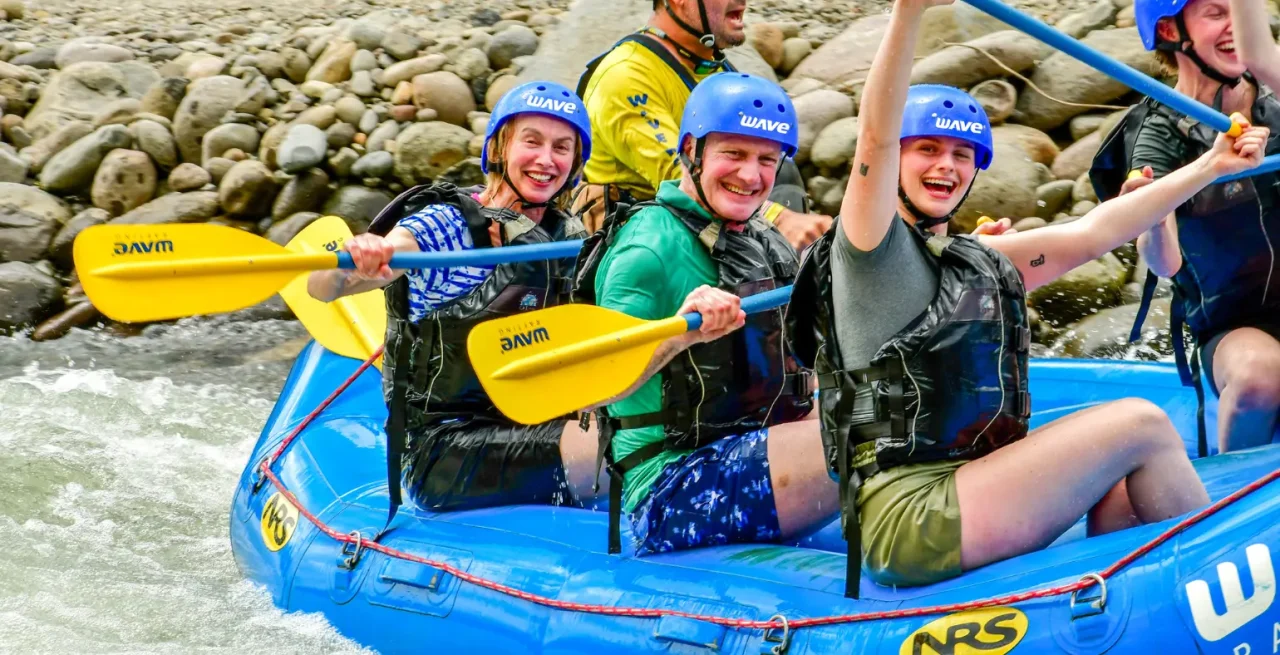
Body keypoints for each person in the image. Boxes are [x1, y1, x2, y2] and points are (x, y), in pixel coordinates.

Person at [787, 0, 1266, 595]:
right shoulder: (869, 251)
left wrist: (1211, 165)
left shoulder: (976, 259)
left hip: (971, 483)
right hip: (911, 516)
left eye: (962, 155)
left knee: (1122, 485)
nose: (946, 166)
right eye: (927, 150)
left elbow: (1097, 231)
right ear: (897, 162)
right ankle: (1221, 588)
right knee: (1140, 423)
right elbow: (875, 139)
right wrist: (907, 14)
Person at [306, 81, 602, 516]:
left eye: (562, 147)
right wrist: (357, 258)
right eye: (531, 142)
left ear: (575, 162)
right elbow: (322, 286)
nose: (546, 160)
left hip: (535, 421)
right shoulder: (448, 228)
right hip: (445, 451)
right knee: (613, 448)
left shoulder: (567, 236)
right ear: (499, 149)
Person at [574, 71, 837, 556]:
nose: (751, 176)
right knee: (862, 433)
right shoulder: (647, 248)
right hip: (670, 489)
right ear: (691, 151)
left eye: (766, 160)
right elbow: (593, 386)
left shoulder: (763, 239)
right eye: (733, 155)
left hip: (759, 448)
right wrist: (681, 335)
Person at [1089, 0, 1280, 453]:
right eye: (1215, 14)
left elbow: (1262, 54)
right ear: (1171, 32)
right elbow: (1165, 262)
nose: (1233, 27)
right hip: (1235, 327)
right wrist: (1151, 216)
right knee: (1261, 377)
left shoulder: (1274, 98)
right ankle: (1238, 494)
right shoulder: (1158, 133)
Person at [571, 0, 833, 250]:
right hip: (637, 239)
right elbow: (682, 174)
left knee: (783, 171)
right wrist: (781, 219)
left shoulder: (710, 68)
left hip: (701, 222)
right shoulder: (625, 75)